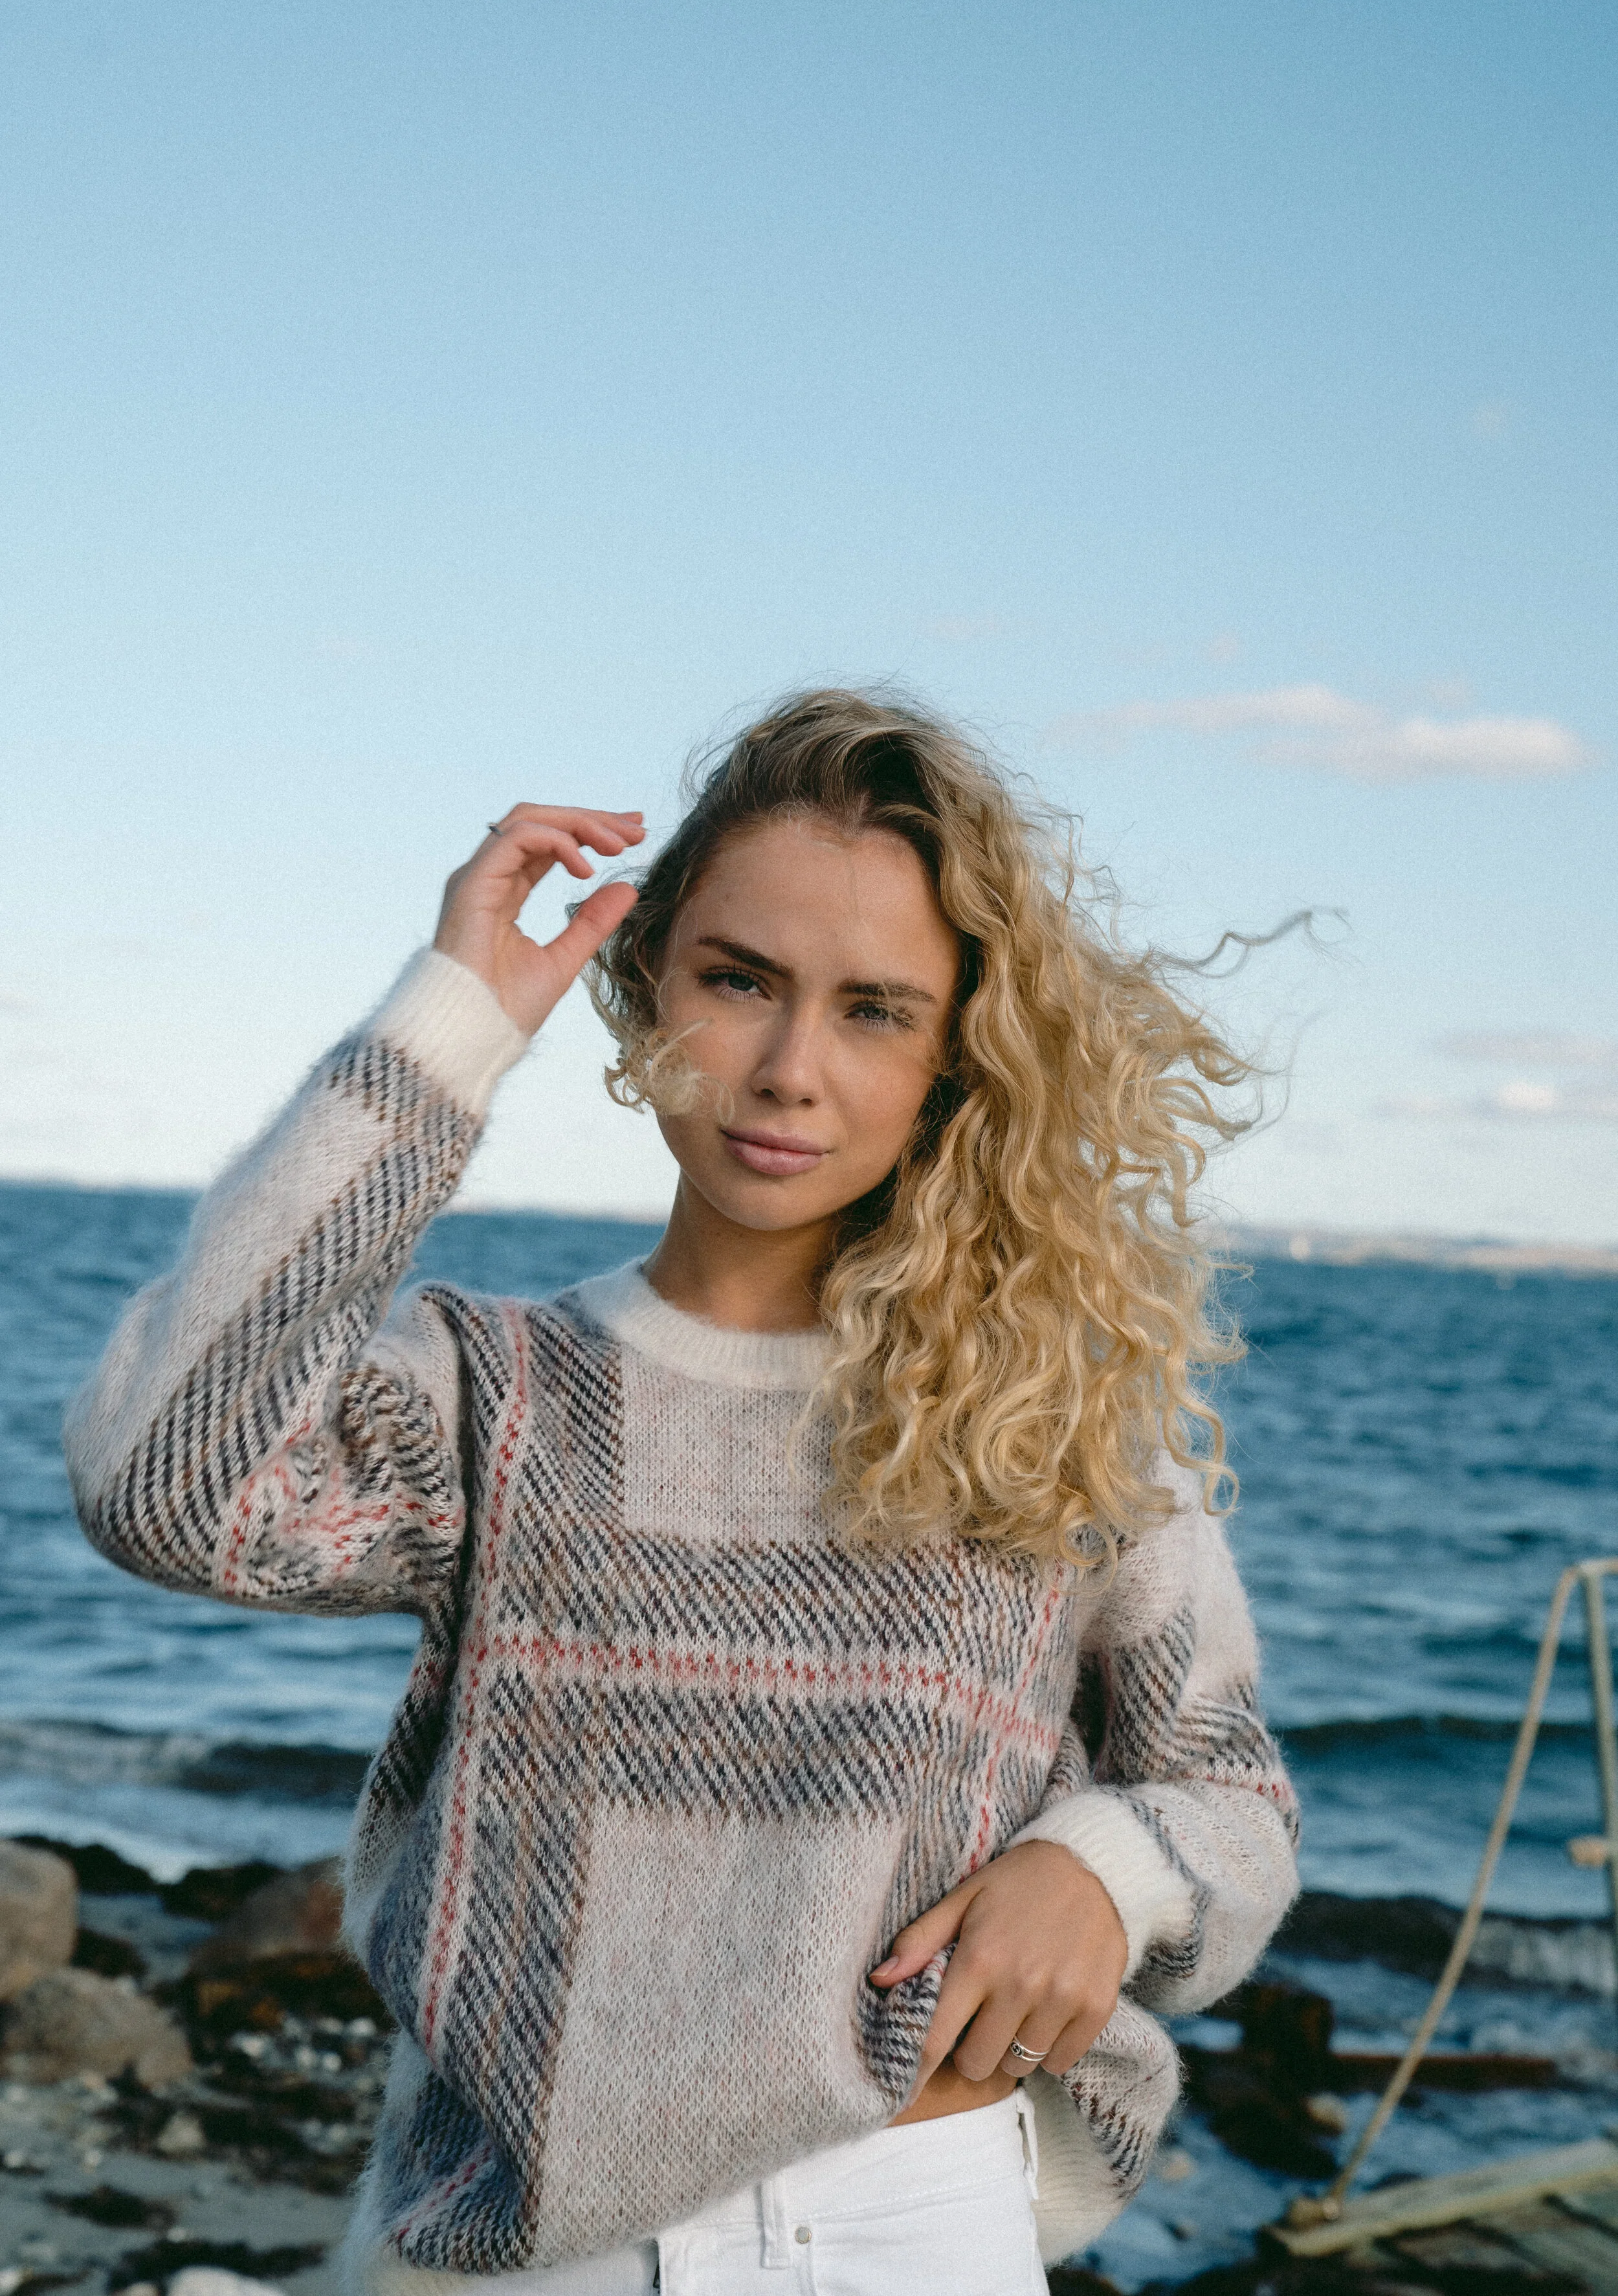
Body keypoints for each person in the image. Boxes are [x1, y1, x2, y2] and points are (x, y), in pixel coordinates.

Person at [65, 689, 1298, 2296]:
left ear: (950, 1058)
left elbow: (1229, 1798)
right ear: (646, 987)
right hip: (542, 2254)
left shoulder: (1054, 1421)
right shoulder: (495, 1392)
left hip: (917, 2221)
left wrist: (1103, 1875)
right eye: (739, 982)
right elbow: (164, 1482)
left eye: (873, 1010)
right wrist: (451, 1027)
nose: (788, 1069)